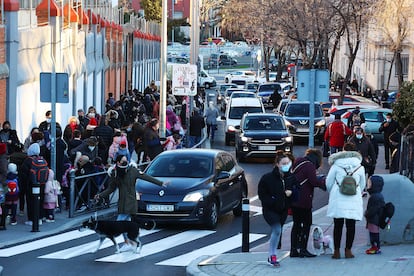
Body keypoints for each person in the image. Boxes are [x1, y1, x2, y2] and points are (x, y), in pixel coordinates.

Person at [94, 155, 165, 252]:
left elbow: (145, 177)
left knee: (120, 224)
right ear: (118, 162)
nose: (125, 162)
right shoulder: (115, 173)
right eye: (123, 161)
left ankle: (129, 243)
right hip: (122, 202)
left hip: (130, 202)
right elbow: (111, 188)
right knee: (125, 225)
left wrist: (160, 183)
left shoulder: (133, 170)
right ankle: (130, 243)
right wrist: (100, 195)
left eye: (126, 160)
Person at [326, 142, 366, 259]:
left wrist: (333, 191)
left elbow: (329, 182)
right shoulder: (360, 167)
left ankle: (336, 251)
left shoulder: (336, 165)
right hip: (353, 198)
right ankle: (348, 250)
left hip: (338, 198)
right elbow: (362, 185)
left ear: (343, 151)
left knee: (337, 225)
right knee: (351, 225)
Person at [258, 151, 293, 267]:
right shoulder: (267, 178)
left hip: (283, 210)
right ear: (278, 164)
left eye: (288, 163)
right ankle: (272, 255)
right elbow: (262, 195)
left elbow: (297, 189)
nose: (287, 165)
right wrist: (273, 200)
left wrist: (291, 194)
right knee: (277, 229)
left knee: (277, 231)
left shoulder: (290, 177)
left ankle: (273, 253)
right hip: (270, 210)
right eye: (284, 163)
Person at [290, 149, 326, 258]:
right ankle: (303, 249)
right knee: (306, 224)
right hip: (304, 199)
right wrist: (323, 183)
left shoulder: (299, 161)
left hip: (294, 198)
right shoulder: (310, 166)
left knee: (296, 224)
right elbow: (314, 182)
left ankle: (293, 249)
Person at [364, 175, 385, 255]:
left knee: (374, 234)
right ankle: (375, 247)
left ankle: (376, 247)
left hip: (374, 219)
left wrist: (366, 214)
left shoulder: (375, 197)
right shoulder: (377, 195)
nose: (368, 185)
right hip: (374, 219)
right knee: (373, 233)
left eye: (370, 183)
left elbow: (373, 210)